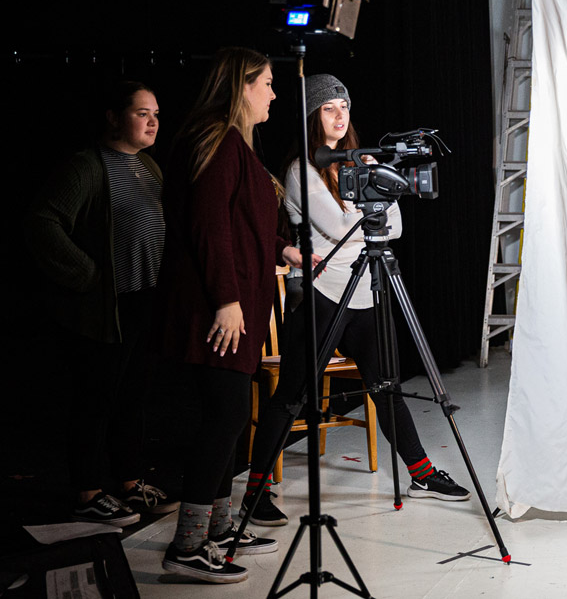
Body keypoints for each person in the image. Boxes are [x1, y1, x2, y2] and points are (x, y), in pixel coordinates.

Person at [240, 74, 469, 527]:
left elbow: (392, 229)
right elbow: (343, 228)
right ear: (313, 116)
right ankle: (255, 491)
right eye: (330, 108)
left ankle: (421, 473)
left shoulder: (356, 163)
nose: (340, 115)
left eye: (345, 106)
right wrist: (370, 205)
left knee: (387, 386)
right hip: (321, 294)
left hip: (366, 290)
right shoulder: (299, 171)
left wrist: (369, 199)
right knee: (289, 396)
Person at [156, 47, 310, 583]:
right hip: (216, 310)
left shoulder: (237, 147)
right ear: (240, 86)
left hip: (234, 306)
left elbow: (243, 223)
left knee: (226, 420)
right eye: (266, 83)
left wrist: (282, 249)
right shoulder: (217, 141)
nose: (273, 92)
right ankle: (187, 546)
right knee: (220, 420)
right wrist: (225, 300)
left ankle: (218, 530)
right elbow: (209, 227)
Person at [27, 81, 178, 526]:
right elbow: (42, 223)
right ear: (114, 116)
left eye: (156, 114)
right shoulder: (86, 167)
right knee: (96, 400)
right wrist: (86, 274)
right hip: (105, 308)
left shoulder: (149, 166)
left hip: (144, 301)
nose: (152, 121)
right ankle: (88, 492)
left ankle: (129, 483)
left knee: (133, 396)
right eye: (141, 113)